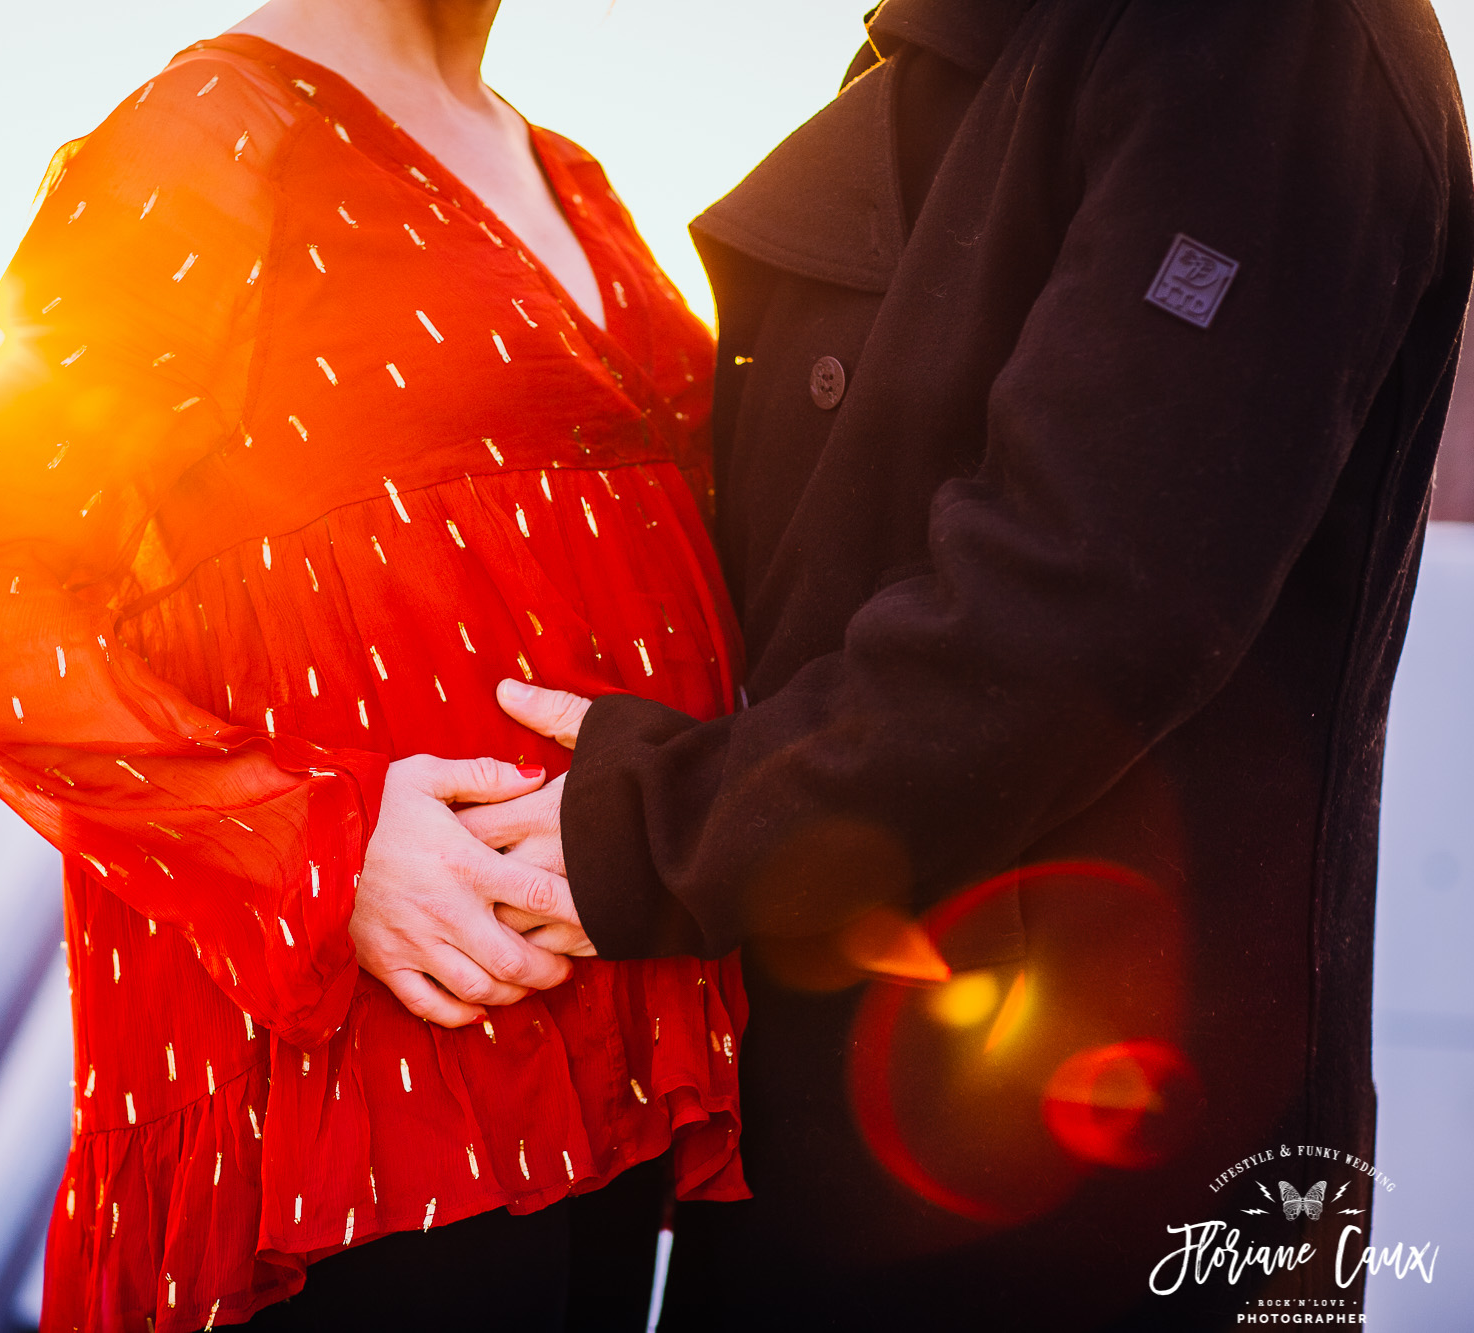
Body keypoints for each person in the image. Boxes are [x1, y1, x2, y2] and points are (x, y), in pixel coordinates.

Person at [468, 0, 1474, 1327]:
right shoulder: (964, 50)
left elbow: (1087, 588)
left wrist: (650, 832)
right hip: (839, 1141)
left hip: (1106, 1169)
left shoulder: (1269, 42)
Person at [0, 2, 747, 1330]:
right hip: (375, 1095)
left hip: (606, 1025)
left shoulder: (563, 164)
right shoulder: (211, 132)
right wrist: (319, 849)